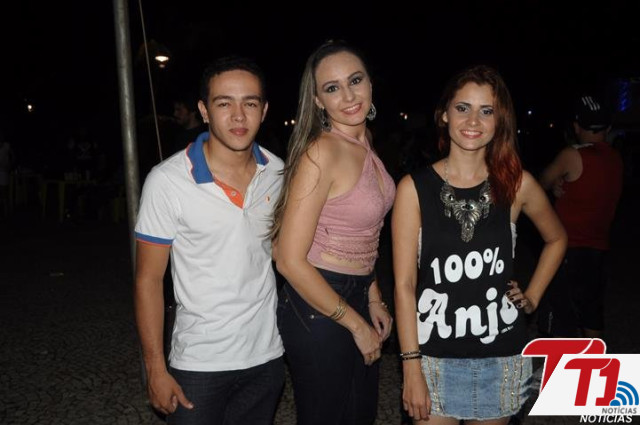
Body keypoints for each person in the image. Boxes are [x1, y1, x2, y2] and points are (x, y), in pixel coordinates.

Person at [392, 65, 567, 424]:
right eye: (463, 108)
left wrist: (532, 296)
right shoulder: (413, 189)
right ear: (444, 114)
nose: (473, 120)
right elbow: (404, 285)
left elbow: (557, 238)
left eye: (486, 111)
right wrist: (410, 365)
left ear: (499, 121)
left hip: (501, 357)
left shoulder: (516, 184)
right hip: (433, 357)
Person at [134, 56, 285, 425]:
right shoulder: (167, 181)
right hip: (198, 362)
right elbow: (148, 280)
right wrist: (155, 369)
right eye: (224, 103)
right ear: (204, 110)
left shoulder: (278, 172)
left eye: (250, 103)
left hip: (266, 356)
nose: (238, 116)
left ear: (264, 111)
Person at [272, 40, 395, 425]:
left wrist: (372, 296)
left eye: (355, 80)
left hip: (356, 291)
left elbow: (366, 234)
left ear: (370, 82)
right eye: (332, 87)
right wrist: (356, 323)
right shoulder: (322, 152)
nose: (348, 95)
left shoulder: (364, 141)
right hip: (317, 300)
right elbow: (287, 259)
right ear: (318, 100)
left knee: (359, 414)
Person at [537, 94, 623, 339]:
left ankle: (560, 362)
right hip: (598, 252)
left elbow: (541, 182)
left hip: (566, 250)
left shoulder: (572, 155)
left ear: (576, 127)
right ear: (607, 128)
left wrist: (555, 182)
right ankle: (593, 361)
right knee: (592, 315)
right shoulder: (616, 159)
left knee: (559, 318)